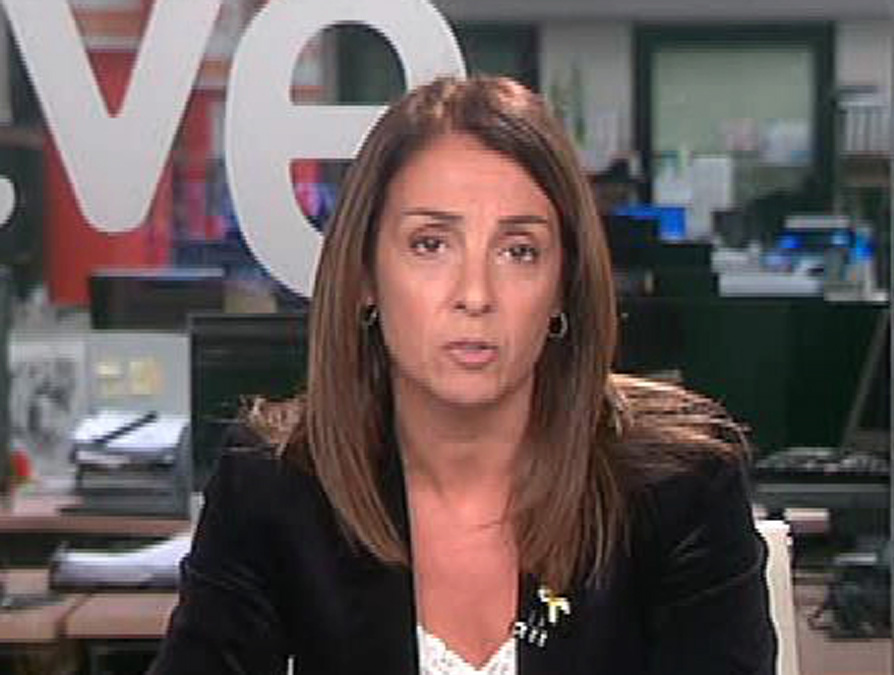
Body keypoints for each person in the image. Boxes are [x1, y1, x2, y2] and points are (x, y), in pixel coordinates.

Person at [148, 76, 776, 675]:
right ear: (366, 276)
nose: (475, 294)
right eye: (431, 244)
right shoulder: (276, 482)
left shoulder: (679, 486)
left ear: (563, 286)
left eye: (518, 251)